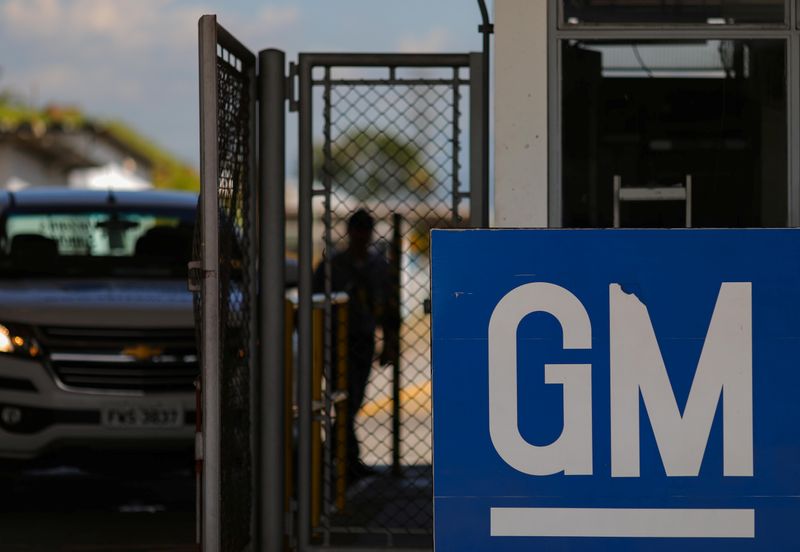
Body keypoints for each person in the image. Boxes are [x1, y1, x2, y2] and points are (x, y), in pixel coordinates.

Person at [313, 209, 393, 482]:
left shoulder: (378, 266)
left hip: (362, 339)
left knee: (353, 399)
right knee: (343, 399)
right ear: (350, 232)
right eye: (357, 230)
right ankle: (344, 457)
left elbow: (388, 308)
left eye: (365, 230)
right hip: (334, 340)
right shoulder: (332, 266)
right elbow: (314, 306)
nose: (361, 236)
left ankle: (335, 454)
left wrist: (389, 343)